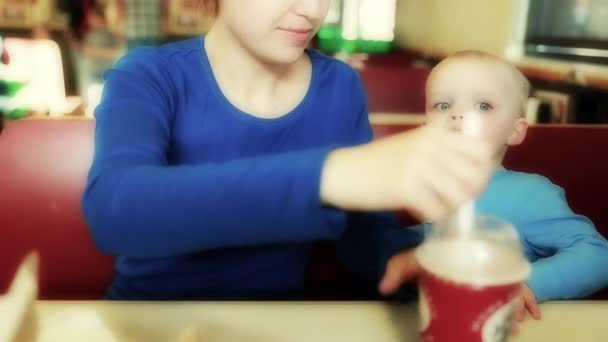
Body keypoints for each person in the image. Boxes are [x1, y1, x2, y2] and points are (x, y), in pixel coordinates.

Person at [82, 1, 494, 300]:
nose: (313, 10)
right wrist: (331, 176)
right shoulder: (150, 75)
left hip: (276, 323)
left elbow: (361, 233)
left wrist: (404, 260)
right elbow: (116, 208)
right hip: (147, 321)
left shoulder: (339, 85)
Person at [380, 50, 608, 326]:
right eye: (442, 105)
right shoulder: (421, 187)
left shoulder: (529, 194)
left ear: (515, 131)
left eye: (483, 106)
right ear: (426, 125)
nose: (458, 115)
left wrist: (523, 284)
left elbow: (598, 255)